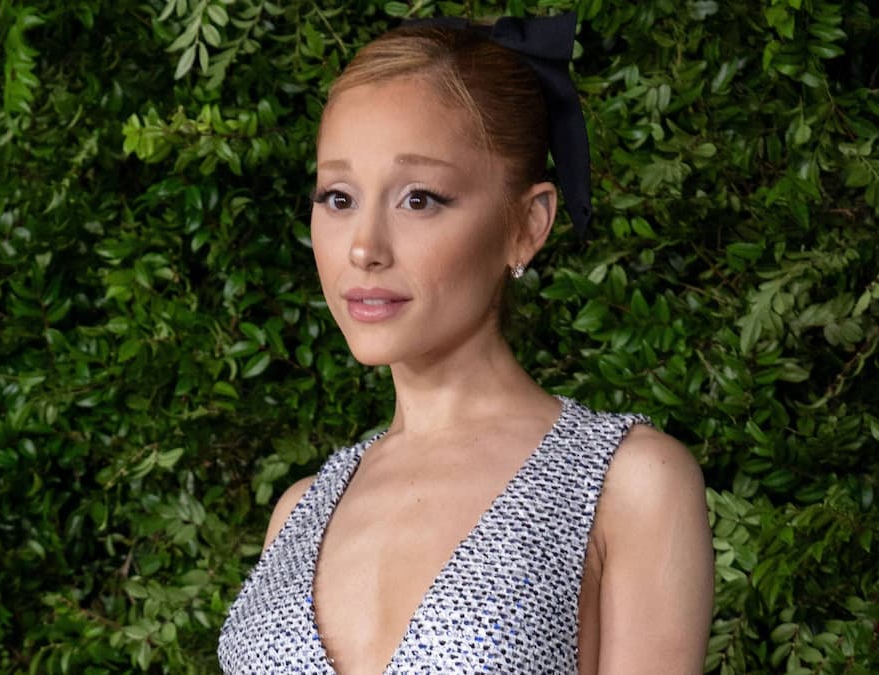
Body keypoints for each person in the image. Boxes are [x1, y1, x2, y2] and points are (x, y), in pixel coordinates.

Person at [218, 12, 713, 674]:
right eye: (338, 197)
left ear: (527, 224)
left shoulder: (629, 483)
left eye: (419, 199)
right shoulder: (298, 512)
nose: (363, 247)